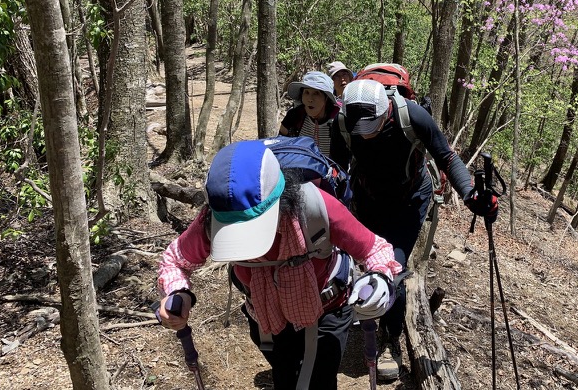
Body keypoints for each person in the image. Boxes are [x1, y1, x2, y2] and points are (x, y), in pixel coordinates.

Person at [157, 139, 402, 390]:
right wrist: (178, 293)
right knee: (285, 378)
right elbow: (175, 260)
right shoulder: (212, 218)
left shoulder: (315, 206)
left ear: (279, 200)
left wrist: (380, 279)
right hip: (265, 315)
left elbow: (375, 249)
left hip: (326, 309)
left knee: (319, 382)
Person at [330, 79, 497, 381]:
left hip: (410, 200)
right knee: (364, 262)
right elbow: (338, 169)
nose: (365, 136)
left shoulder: (413, 116)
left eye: (372, 127)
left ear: (386, 112)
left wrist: (471, 193)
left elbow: (446, 156)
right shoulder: (342, 122)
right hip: (367, 198)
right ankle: (362, 314)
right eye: (360, 130)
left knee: (392, 265)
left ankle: (389, 339)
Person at [280, 71, 339, 157]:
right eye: (306, 92)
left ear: (326, 98)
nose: (310, 99)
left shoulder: (338, 120)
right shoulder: (294, 115)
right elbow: (281, 142)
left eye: (316, 93)